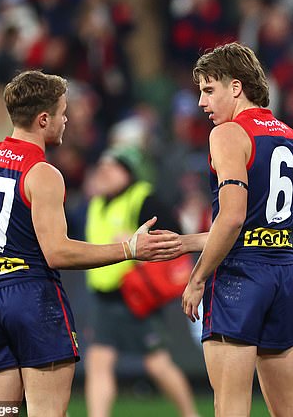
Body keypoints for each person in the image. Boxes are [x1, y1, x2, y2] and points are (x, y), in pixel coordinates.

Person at [0, 70, 181, 417]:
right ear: (43, 119)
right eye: (62, 111)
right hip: (34, 297)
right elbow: (58, 252)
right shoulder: (43, 173)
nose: (66, 119)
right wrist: (130, 249)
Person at [179, 42, 293, 417]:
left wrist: (198, 277)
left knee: (230, 405)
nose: (202, 103)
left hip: (240, 274)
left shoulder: (229, 134)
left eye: (208, 89)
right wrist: (187, 241)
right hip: (283, 269)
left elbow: (233, 219)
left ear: (236, 87)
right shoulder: (290, 135)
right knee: (290, 409)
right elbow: (257, 222)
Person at [83, 146, 199, 417]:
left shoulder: (143, 198)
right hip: (105, 296)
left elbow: (177, 237)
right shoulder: (98, 201)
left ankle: (191, 415)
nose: (104, 172)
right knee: (98, 361)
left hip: (137, 295)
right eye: (102, 168)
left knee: (157, 363)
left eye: (112, 167)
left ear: (128, 172)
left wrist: (140, 245)